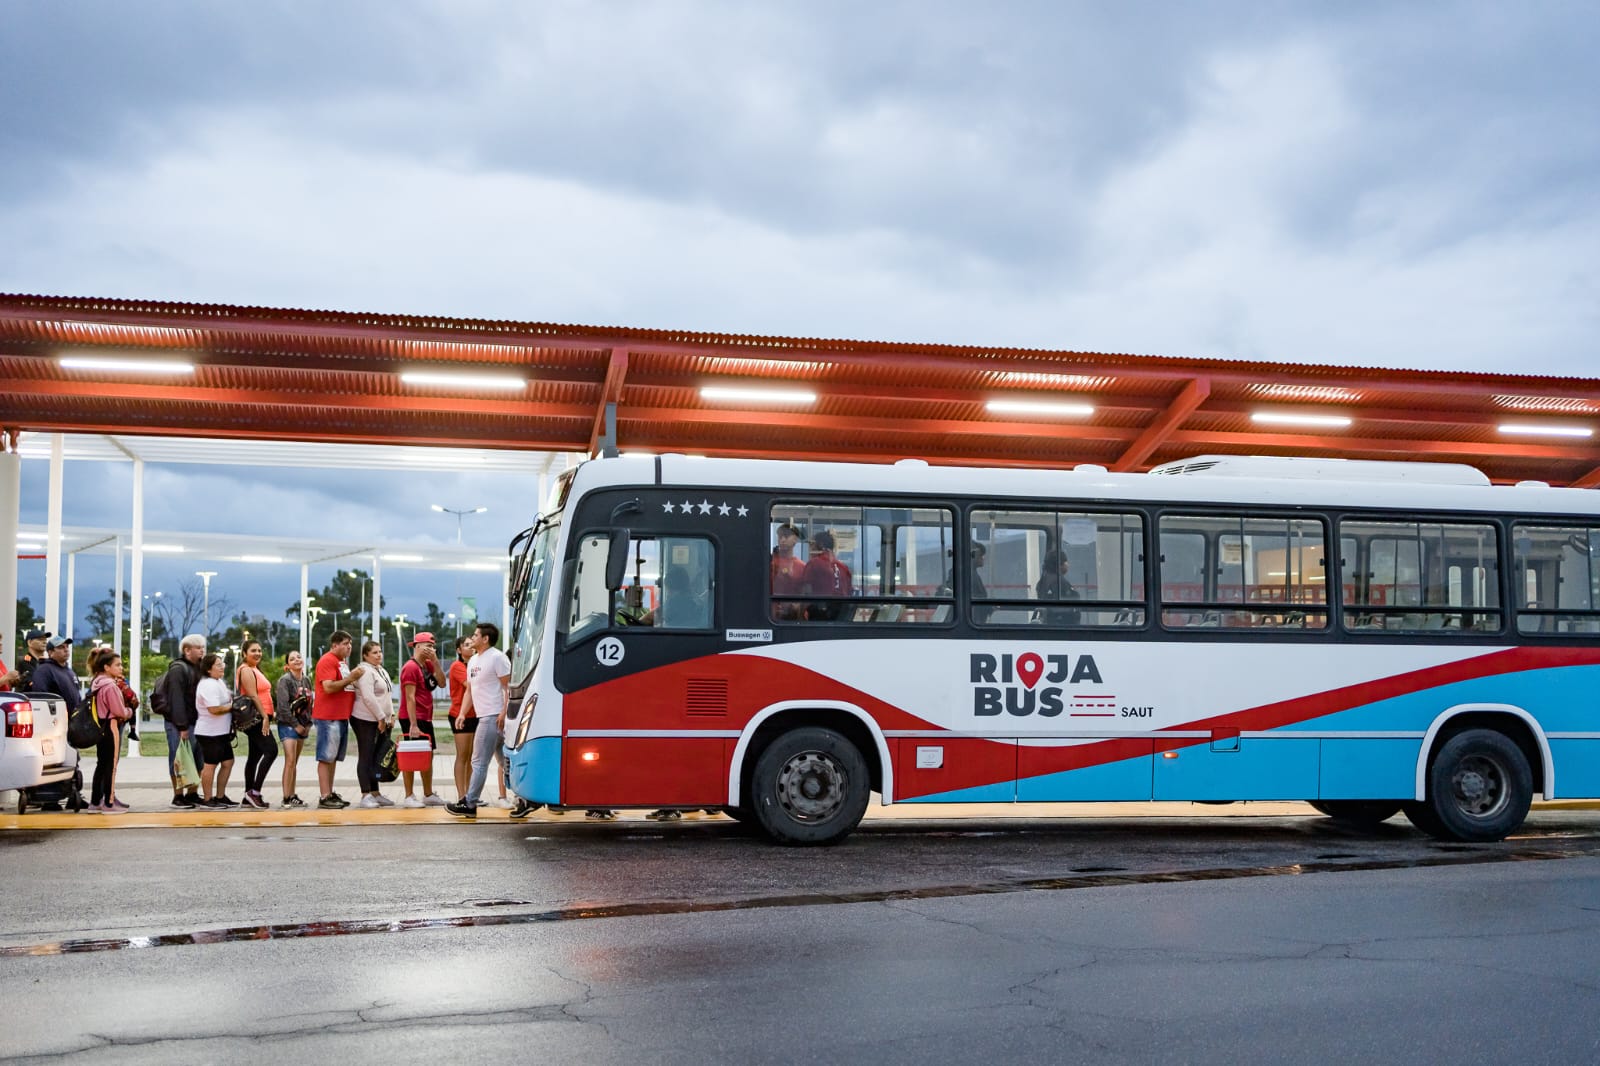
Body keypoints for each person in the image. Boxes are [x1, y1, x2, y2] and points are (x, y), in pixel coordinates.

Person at [446, 622, 511, 820]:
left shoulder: (498, 657)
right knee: (505, 762)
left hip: (493, 716)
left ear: (485, 639)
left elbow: (508, 687)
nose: (472, 638)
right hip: (485, 716)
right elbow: (470, 690)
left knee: (478, 761)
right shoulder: (473, 660)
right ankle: (525, 798)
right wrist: (462, 714)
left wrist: (503, 712)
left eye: (475, 635)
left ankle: (470, 802)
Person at [313, 631, 365, 810]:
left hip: (341, 716)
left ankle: (330, 792)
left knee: (333, 758)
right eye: (344, 643)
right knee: (326, 757)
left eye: (350, 643)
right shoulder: (328, 660)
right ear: (334, 645)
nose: (349, 646)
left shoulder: (341, 662)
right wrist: (351, 678)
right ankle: (324, 795)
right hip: (329, 716)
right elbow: (328, 687)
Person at [398, 631, 449, 808]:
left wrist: (435, 662)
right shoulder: (410, 668)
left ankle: (428, 793)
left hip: (426, 717)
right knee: (411, 756)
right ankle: (409, 795)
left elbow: (442, 683)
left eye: (433, 646)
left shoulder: (427, 665)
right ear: (417, 646)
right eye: (428, 645)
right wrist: (412, 724)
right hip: (412, 717)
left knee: (427, 755)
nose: (431, 649)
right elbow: (409, 697)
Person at [158, 634, 207, 808]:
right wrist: (182, 726)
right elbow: (176, 699)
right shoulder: (178, 669)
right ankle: (177, 796)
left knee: (196, 760)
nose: (202, 650)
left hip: (198, 722)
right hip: (179, 724)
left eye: (203, 647)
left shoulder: (199, 668)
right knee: (179, 759)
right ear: (187, 650)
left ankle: (192, 793)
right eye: (198, 647)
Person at [87, 647, 132, 813]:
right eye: (118, 665)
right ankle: (109, 802)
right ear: (107, 667)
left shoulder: (96, 683)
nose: (121, 668)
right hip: (111, 725)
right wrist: (129, 712)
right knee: (111, 766)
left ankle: (95, 801)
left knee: (101, 764)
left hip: (100, 726)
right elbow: (120, 711)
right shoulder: (110, 686)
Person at [350, 640, 395, 809]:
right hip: (365, 719)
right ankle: (365, 794)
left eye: (380, 651)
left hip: (381, 719)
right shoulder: (365, 671)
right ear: (365, 655)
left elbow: (387, 695)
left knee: (377, 757)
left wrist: (391, 715)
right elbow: (368, 697)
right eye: (374, 653)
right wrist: (381, 718)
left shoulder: (380, 670)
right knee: (366, 756)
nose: (379, 655)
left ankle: (376, 793)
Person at [233, 640, 277, 810]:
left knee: (254, 757)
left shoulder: (255, 669)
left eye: (259, 650)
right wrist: (265, 717)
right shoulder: (245, 670)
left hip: (261, 716)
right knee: (271, 751)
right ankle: (254, 792)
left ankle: (248, 795)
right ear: (244, 653)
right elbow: (252, 695)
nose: (257, 653)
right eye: (253, 650)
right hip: (256, 718)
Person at [193, 653, 236, 807]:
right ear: (209, 669)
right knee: (210, 765)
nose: (222, 666)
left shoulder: (218, 682)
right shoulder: (208, 685)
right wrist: (233, 707)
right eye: (218, 664)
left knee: (228, 762)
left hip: (221, 732)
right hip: (209, 732)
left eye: (222, 663)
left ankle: (220, 796)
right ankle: (207, 798)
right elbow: (214, 709)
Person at [274, 650, 314, 808]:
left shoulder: (306, 680)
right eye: (292, 658)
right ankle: (285, 797)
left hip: (302, 725)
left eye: (298, 657)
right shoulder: (285, 680)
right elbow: (282, 707)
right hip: (288, 724)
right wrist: (295, 725)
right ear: (287, 665)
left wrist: (307, 725)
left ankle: (292, 794)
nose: (297, 660)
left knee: (294, 763)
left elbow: (309, 704)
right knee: (289, 761)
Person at [446, 634, 475, 800]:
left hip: (475, 714)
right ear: (459, 650)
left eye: (472, 644)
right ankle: (461, 795)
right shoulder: (457, 666)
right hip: (460, 714)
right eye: (466, 645)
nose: (470, 647)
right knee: (462, 755)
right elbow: (470, 685)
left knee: (472, 757)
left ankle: (469, 794)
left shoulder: (474, 664)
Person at [802, 530, 852, 620]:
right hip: (841, 616)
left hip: (819, 614)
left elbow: (806, 593)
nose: (810, 548)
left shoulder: (813, 564)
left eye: (812, 544)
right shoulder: (844, 568)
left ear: (820, 545)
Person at [32, 635, 82, 716]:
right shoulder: (44, 670)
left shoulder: (70, 672)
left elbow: (77, 696)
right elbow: (40, 697)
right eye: (61, 647)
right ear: (50, 652)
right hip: (56, 720)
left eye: (67, 647)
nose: (66, 650)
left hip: (74, 721)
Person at [1036, 549, 1081, 626]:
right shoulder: (1060, 583)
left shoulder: (1043, 581)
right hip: (1063, 627)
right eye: (1066, 561)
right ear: (1060, 564)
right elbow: (1069, 606)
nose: (1068, 565)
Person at [771, 523, 806, 620]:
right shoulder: (770, 563)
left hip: (794, 617)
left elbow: (806, 592)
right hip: (771, 615)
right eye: (780, 537)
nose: (782, 540)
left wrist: (798, 606)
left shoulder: (802, 567)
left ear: (795, 539)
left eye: (786, 536)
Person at [15, 628, 49, 692]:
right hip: (28, 698)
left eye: (45, 640)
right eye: (40, 639)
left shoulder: (44, 662)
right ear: (29, 642)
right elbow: (35, 684)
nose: (44, 642)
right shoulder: (25, 662)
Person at [969, 543, 992, 623]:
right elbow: (973, 599)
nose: (983, 558)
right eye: (980, 555)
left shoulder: (972, 573)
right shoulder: (969, 575)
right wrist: (989, 607)